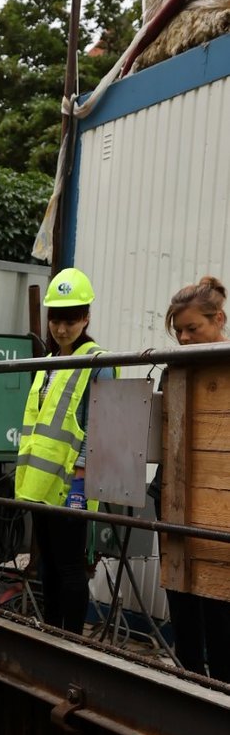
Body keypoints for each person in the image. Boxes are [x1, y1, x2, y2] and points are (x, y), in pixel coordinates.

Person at [15, 268, 116, 635]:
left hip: (71, 484)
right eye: (56, 318)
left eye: (71, 319)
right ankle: (52, 633)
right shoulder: (48, 362)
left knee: (71, 566)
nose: (61, 327)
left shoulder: (97, 362)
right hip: (40, 484)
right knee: (49, 567)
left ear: (86, 317)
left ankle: (71, 641)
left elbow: (97, 425)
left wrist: (82, 474)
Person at [154, 276, 230, 680]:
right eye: (178, 330)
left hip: (221, 503)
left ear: (218, 318)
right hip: (173, 498)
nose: (183, 338)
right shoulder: (175, 370)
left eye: (192, 329)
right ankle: (187, 683)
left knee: (220, 612)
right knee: (182, 603)